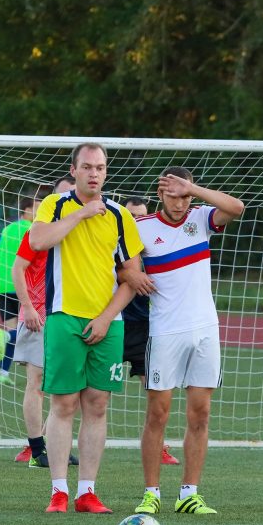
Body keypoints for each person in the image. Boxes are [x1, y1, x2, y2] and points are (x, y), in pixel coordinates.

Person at [28, 143, 151, 514]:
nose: (94, 173)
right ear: (75, 169)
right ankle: (58, 491)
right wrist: (81, 215)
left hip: (108, 322)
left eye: (100, 167)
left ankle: (87, 492)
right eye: (87, 167)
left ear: (106, 171)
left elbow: (132, 277)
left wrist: (105, 317)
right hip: (64, 316)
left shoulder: (119, 216)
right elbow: (37, 241)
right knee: (63, 404)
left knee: (97, 405)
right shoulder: (56, 205)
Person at [127, 167, 244, 516]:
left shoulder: (202, 218)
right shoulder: (141, 227)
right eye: (174, 195)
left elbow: (237, 208)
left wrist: (193, 188)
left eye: (185, 196)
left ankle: (189, 494)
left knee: (201, 414)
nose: (180, 203)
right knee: (157, 414)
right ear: (160, 194)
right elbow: (118, 264)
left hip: (206, 330)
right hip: (165, 332)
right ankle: (151, 493)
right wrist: (131, 272)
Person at [11, 176, 80, 468]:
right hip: (39, 315)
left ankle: (52, 444)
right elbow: (17, 269)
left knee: (68, 389)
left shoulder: (81, 231)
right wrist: (26, 307)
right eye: (61, 195)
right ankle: (36, 449)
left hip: (70, 315)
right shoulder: (35, 233)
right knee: (36, 382)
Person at [121, 195, 180, 467]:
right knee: (88, 393)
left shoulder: (157, 246)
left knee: (155, 389)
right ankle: (43, 445)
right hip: (113, 323)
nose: (136, 221)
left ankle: (160, 447)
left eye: (140, 216)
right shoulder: (113, 244)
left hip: (148, 328)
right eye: (130, 216)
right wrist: (128, 275)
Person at [0, 192, 41, 385]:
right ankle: (7, 336)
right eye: (37, 208)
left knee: (12, 331)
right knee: (25, 331)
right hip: (23, 287)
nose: (39, 212)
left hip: (3, 287)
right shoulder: (34, 230)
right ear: (28, 209)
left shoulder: (7, 230)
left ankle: (3, 374)